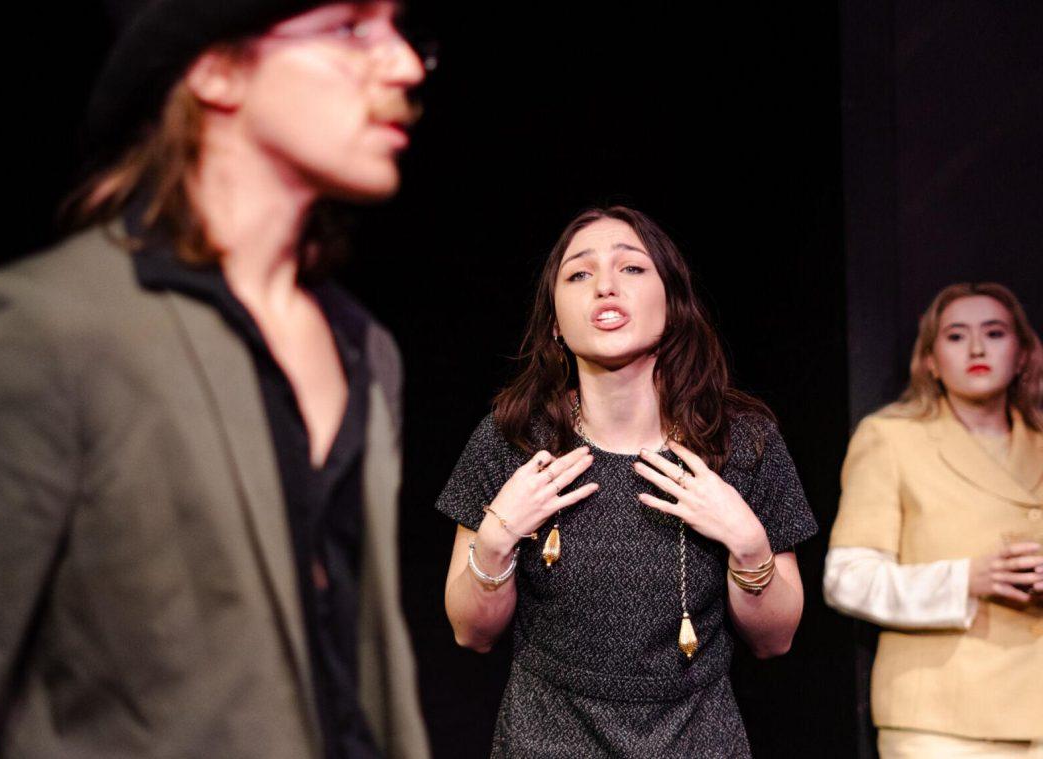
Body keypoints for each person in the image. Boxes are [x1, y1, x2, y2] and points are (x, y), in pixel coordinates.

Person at [0, 1, 431, 757]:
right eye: (352, 27)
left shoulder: (365, 350)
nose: (406, 65)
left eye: (401, 29)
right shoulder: (47, 330)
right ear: (217, 68)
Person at [434, 206, 818, 757]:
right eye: (580, 274)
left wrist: (750, 544)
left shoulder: (742, 441)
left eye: (632, 269)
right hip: (546, 742)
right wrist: (496, 542)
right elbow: (472, 633)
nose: (606, 286)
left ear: (673, 302)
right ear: (555, 324)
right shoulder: (513, 438)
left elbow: (775, 639)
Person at [825, 282, 1043, 757]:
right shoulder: (892, 439)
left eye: (995, 332)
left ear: (1024, 354)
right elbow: (848, 580)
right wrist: (966, 579)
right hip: (940, 720)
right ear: (929, 360)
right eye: (956, 336)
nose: (978, 348)